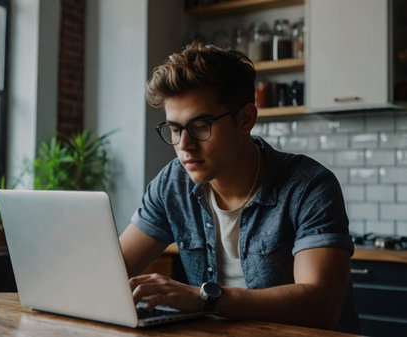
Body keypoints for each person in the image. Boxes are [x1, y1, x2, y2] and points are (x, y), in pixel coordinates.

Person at [119, 42, 360, 333]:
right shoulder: (172, 183)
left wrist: (204, 298)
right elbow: (113, 269)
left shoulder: (308, 186)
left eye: (200, 125)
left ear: (246, 118)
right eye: (174, 129)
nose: (184, 145)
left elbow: (320, 307)